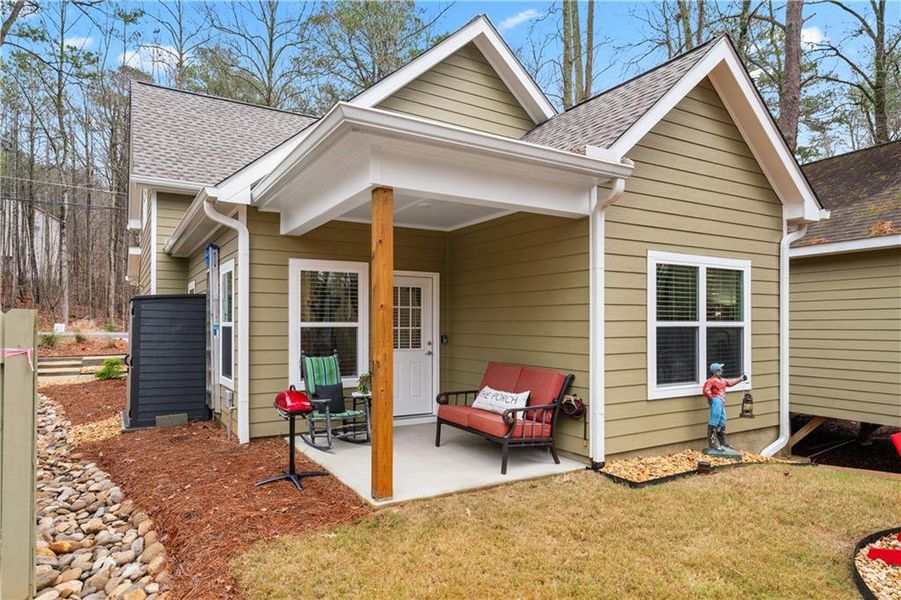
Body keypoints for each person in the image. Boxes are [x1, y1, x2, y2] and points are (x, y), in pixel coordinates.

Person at [702, 363, 747, 451]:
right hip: (716, 400)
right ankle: (713, 443)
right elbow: (705, 390)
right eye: (720, 369)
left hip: (721, 401)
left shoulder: (722, 380)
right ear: (717, 371)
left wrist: (741, 379)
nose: (722, 370)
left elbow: (730, 383)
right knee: (715, 419)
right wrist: (711, 399)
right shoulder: (711, 381)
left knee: (722, 419)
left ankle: (722, 442)